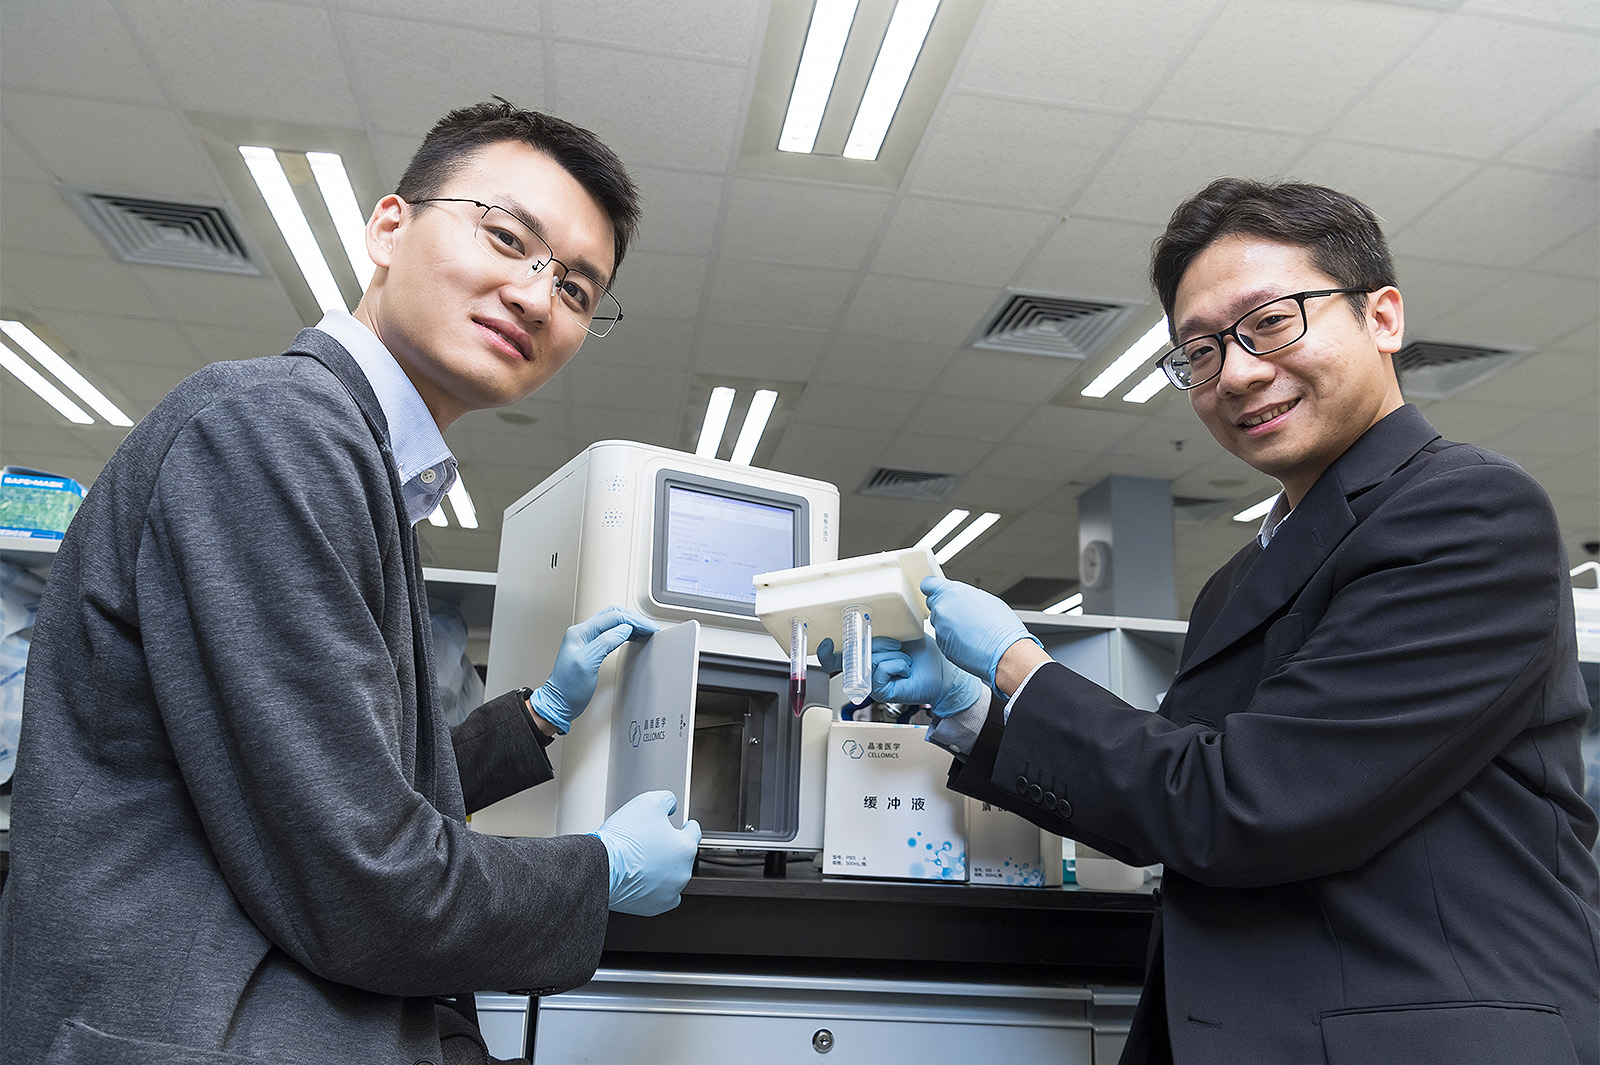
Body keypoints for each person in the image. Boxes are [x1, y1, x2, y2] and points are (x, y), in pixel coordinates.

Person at [829, 178, 1600, 1064]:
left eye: (1271, 321)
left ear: (1382, 317)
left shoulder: (1469, 510)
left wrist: (1017, 662)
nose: (1235, 372)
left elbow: (1244, 807)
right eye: (1198, 351)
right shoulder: (1242, 575)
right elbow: (1169, 804)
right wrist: (973, 704)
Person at [0, 100, 701, 1065]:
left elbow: (348, 779)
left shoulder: (359, 458)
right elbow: (359, 878)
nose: (538, 297)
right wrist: (597, 872)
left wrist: (535, 715)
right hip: (208, 1027)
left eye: (577, 289)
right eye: (506, 237)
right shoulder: (273, 434)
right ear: (388, 227)